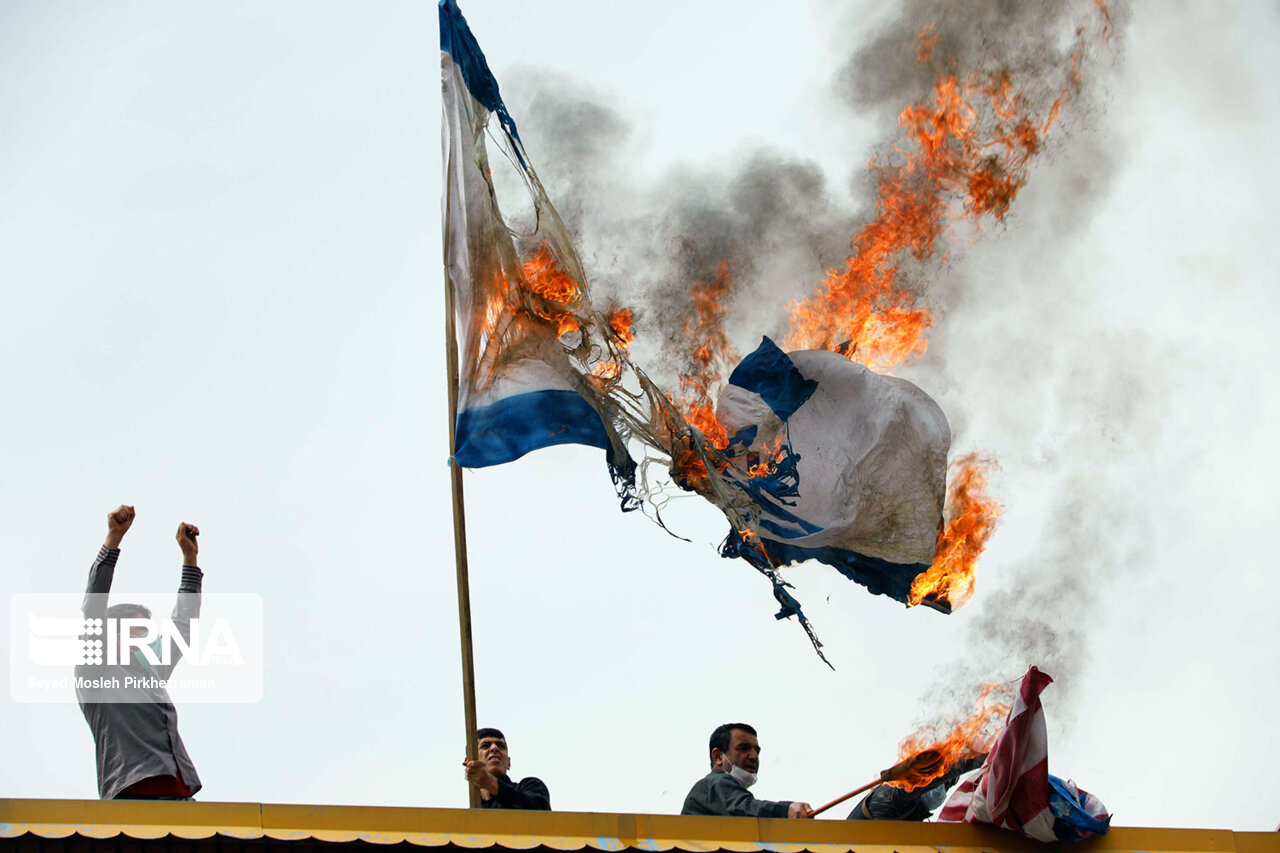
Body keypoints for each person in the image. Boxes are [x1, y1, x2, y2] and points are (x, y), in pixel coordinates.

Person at [75, 505, 204, 800]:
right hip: (131, 797)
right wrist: (113, 538)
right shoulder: (95, 674)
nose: (143, 640)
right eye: (135, 632)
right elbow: (93, 608)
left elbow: (183, 626)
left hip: (180, 797)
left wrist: (190, 559)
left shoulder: (153, 673)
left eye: (146, 633)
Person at [681, 723, 812, 818]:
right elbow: (744, 808)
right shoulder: (714, 783)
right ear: (718, 756)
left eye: (757, 751)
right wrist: (785, 811)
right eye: (743, 748)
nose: (754, 756)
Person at [462, 727, 551, 810]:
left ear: (508, 762)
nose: (494, 748)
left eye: (501, 746)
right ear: (468, 762)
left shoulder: (530, 786)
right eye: (485, 746)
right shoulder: (469, 817)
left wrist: (490, 783)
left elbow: (537, 811)